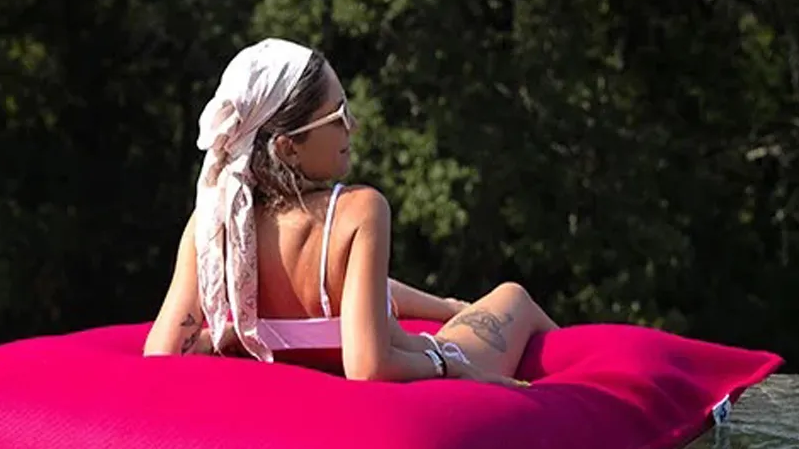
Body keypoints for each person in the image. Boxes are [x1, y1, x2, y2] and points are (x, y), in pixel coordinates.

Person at [144, 39, 558, 386]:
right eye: (338, 115)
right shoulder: (358, 212)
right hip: (429, 359)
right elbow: (367, 367)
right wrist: (450, 365)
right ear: (288, 147)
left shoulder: (214, 226)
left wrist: (222, 337)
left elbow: (161, 352)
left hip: (306, 358)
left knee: (440, 304)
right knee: (513, 297)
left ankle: (451, 306)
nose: (353, 125)